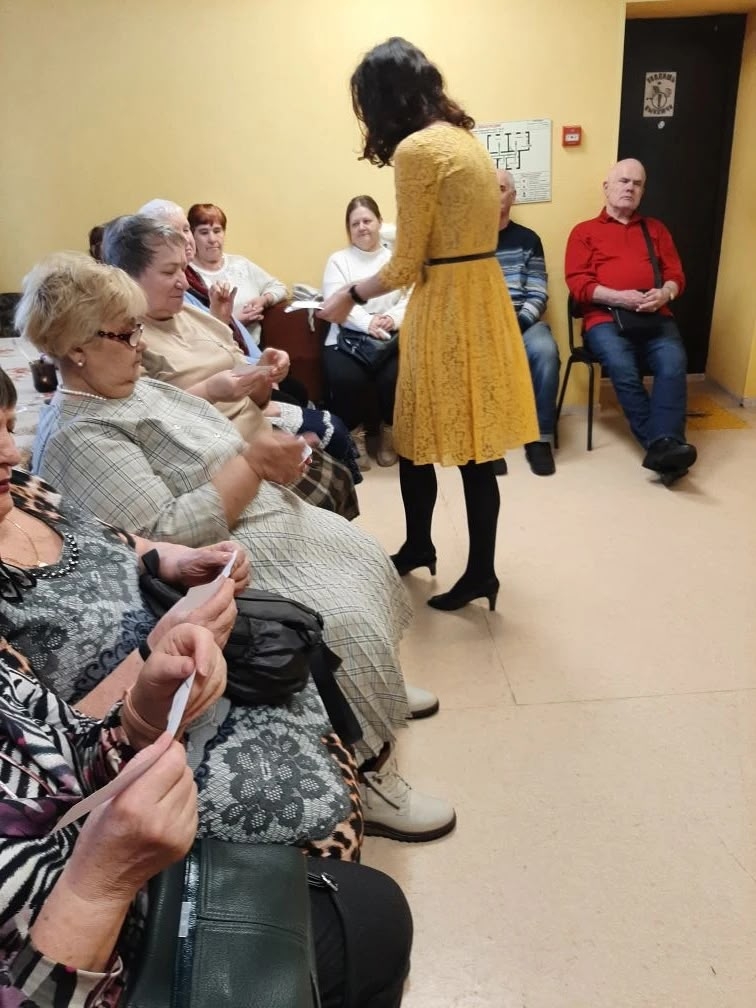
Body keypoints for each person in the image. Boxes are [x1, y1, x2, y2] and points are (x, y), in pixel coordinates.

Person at [22, 253, 455, 843]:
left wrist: (256, 438)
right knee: (342, 617)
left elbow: (200, 427)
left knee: (360, 558)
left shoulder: (125, 388)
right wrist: (252, 465)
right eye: (126, 334)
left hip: (254, 518)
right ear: (76, 348)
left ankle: (374, 687)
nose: (140, 345)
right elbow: (161, 531)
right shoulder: (80, 435)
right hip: (219, 558)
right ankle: (364, 766)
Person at [0, 365, 364, 856]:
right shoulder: (75, 436)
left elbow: (122, 541)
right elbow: (49, 751)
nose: (12, 451)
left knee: (298, 645)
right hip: (126, 751)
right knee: (308, 810)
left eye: (8, 426)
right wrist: (155, 654)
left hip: (185, 676)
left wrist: (179, 560)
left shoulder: (24, 489)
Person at [0, 653, 414, 1007]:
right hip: (90, 950)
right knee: (369, 923)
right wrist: (97, 888)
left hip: (134, 892)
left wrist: (140, 719)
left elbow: (60, 747)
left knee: (369, 907)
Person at [319, 37, 538, 612]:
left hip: (445, 306)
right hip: (482, 294)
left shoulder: (417, 150)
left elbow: (404, 263)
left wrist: (347, 296)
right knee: (466, 443)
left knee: (424, 438)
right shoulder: (466, 140)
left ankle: (460, 563)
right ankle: (445, 555)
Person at [108, 212, 362, 491]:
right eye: (169, 272)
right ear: (128, 279)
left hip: (259, 432)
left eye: (183, 269)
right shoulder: (125, 341)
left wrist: (262, 371)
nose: (184, 282)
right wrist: (210, 391)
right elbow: (150, 425)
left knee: (335, 473)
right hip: (220, 464)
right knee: (327, 484)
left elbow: (258, 401)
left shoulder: (196, 315)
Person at [565, 158, 697, 482]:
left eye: (637, 184)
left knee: (673, 362)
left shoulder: (656, 230)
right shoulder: (584, 232)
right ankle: (664, 446)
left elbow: (676, 275)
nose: (630, 188)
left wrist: (665, 293)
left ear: (642, 191)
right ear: (606, 187)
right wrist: (618, 297)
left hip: (655, 314)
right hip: (604, 319)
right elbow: (578, 283)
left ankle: (662, 447)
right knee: (622, 367)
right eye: (623, 181)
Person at [322, 195, 410, 469]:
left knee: (394, 377)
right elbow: (336, 301)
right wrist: (367, 323)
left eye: (367, 221)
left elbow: (410, 297)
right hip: (345, 338)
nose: (362, 227)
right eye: (355, 223)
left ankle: (389, 433)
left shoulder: (396, 259)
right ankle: (354, 437)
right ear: (348, 229)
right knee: (346, 378)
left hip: (390, 336)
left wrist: (390, 319)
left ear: (380, 223)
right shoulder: (338, 260)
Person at [495, 169, 559, 476]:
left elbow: (538, 293)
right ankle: (488, 442)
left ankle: (540, 438)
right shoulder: (469, 241)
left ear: (513, 196)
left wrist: (516, 325)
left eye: (501, 188)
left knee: (545, 350)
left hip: (524, 322)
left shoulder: (528, 240)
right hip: (484, 326)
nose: (493, 195)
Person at [188, 201, 287, 351]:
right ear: (192, 236)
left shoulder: (240, 264)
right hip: (214, 352)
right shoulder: (188, 275)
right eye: (204, 232)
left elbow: (279, 287)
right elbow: (191, 327)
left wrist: (264, 300)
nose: (212, 239)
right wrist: (235, 322)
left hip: (254, 350)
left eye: (217, 231)